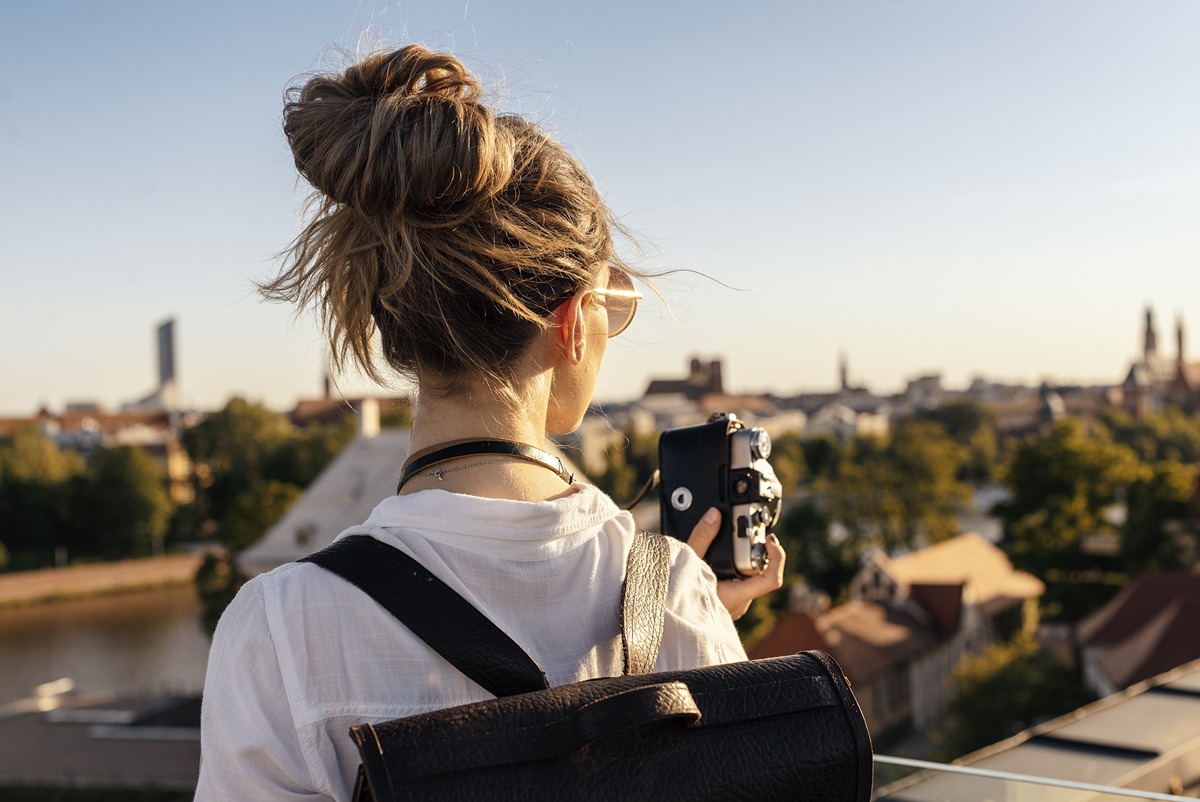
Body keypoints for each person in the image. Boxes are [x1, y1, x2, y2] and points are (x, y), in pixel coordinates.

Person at [194, 44, 785, 801]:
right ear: (572, 323)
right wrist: (693, 617)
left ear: (390, 322)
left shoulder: (280, 629)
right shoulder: (671, 592)